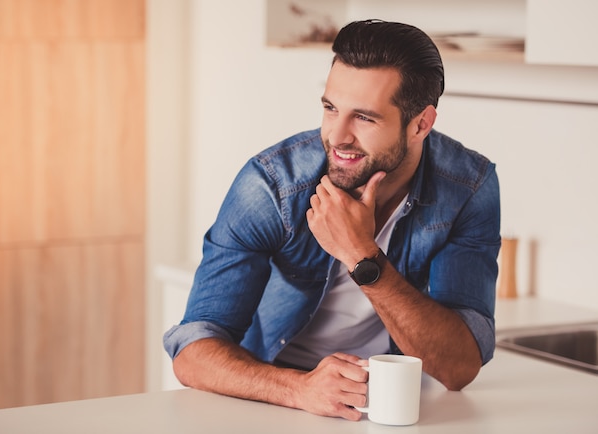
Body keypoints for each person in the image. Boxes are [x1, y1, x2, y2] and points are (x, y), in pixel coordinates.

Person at [164, 19, 500, 421]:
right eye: (330, 108)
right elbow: (193, 351)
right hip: (273, 398)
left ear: (420, 124)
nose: (337, 136)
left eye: (365, 118)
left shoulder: (466, 187)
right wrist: (300, 388)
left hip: (392, 406)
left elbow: (458, 368)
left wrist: (362, 256)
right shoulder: (272, 187)